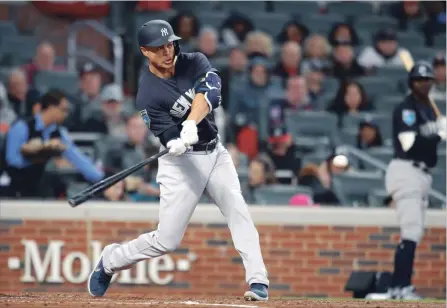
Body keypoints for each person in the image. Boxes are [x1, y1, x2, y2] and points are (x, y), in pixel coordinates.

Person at [87, 19, 270, 301]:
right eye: (159, 47)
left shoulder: (193, 61)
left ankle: (258, 281)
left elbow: (211, 89)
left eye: (170, 43)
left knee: (239, 212)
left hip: (215, 153)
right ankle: (111, 260)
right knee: (166, 240)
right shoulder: (147, 93)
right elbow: (165, 132)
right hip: (181, 164)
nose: (167, 51)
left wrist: (190, 125)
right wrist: (173, 140)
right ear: (145, 52)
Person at [366, 61, 446, 300]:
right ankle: (399, 288)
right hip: (406, 170)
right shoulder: (407, 108)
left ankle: (401, 286)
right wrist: (437, 133)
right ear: (412, 83)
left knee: (414, 232)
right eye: (420, 80)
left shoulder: (428, 109)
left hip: (421, 174)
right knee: (410, 231)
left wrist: (435, 128)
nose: (424, 84)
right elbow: (408, 143)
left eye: (428, 80)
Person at [0, 89, 104, 198]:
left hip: (39, 189)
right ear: (51, 108)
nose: (66, 114)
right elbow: (12, 160)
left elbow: (77, 158)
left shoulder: (59, 133)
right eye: (64, 110)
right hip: (13, 188)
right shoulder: (21, 127)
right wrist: (39, 153)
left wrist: (101, 178)